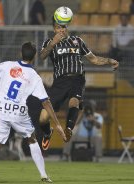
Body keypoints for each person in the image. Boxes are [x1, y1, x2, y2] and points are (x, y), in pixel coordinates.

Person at [0, 42, 66, 183]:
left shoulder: (8, 65)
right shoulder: (34, 76)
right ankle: (43, 175)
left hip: (0, 110)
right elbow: (45, 102)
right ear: (34, 56)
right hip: (18, 112)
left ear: (20, 53)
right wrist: (58, 124)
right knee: (32, 140)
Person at [38, 16, 119, 150]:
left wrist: (109, 60)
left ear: (67, 27)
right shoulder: (49, 42)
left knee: (74, 101)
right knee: (43, 118)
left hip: (77, 78)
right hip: (60, 81)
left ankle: (69, 128)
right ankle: (47, 133)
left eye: (63, 27)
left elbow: (94, 59)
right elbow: (41, 57)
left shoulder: (78, 41)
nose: (61, 30)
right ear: (54, 29)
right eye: (58, 27)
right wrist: (53, 43)